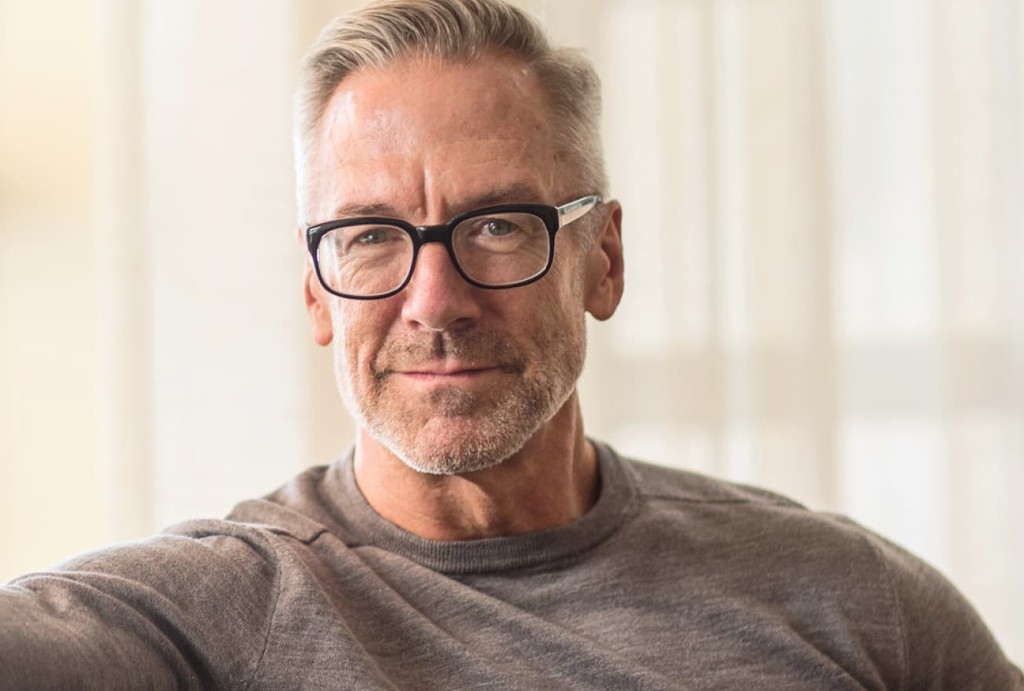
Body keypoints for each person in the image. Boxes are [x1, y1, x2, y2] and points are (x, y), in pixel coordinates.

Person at [1, 0, 1021, 688]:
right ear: (316, 292)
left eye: (496, 226)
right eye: (369, 236)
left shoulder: (852, 600)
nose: (434, 300)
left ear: (602, 259)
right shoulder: (215, 614)